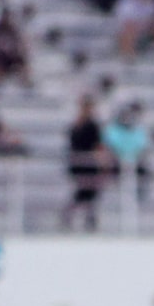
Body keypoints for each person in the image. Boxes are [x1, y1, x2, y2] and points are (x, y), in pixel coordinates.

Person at [63, 96, 103, 229]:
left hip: (90, 164)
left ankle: (88, 218)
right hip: (79, 163)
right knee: (83, 191)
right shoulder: (77, 124)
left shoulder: (93, 125)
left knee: (89, 192)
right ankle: (78, 216)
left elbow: (97, 145)